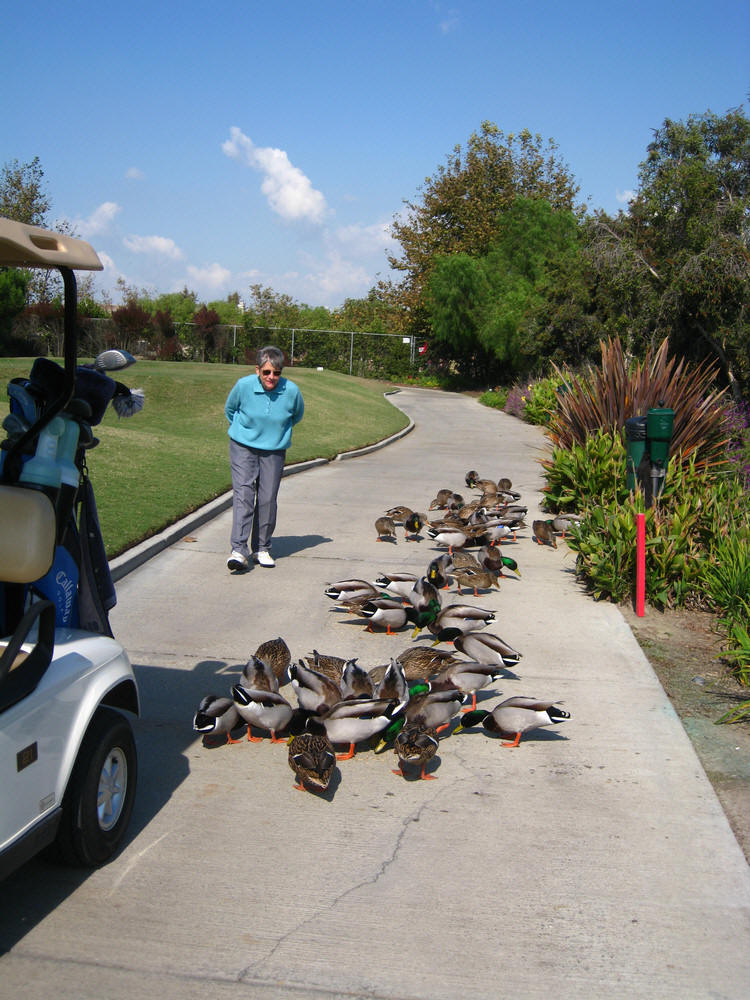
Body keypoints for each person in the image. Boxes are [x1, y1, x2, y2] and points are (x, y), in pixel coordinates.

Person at [225, 346, 304, 571]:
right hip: (243, 447)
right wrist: (246, 432)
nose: (272, 378)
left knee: (268, 498)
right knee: (244, 495)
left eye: (277, 373)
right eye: (267, 372)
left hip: (274, 450)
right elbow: (230, 410)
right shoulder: (243, 386)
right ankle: (239, 550)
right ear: (257, 370)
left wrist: (275, 434)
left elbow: (296, 415)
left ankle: (262, 548)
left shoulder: (292, 390)